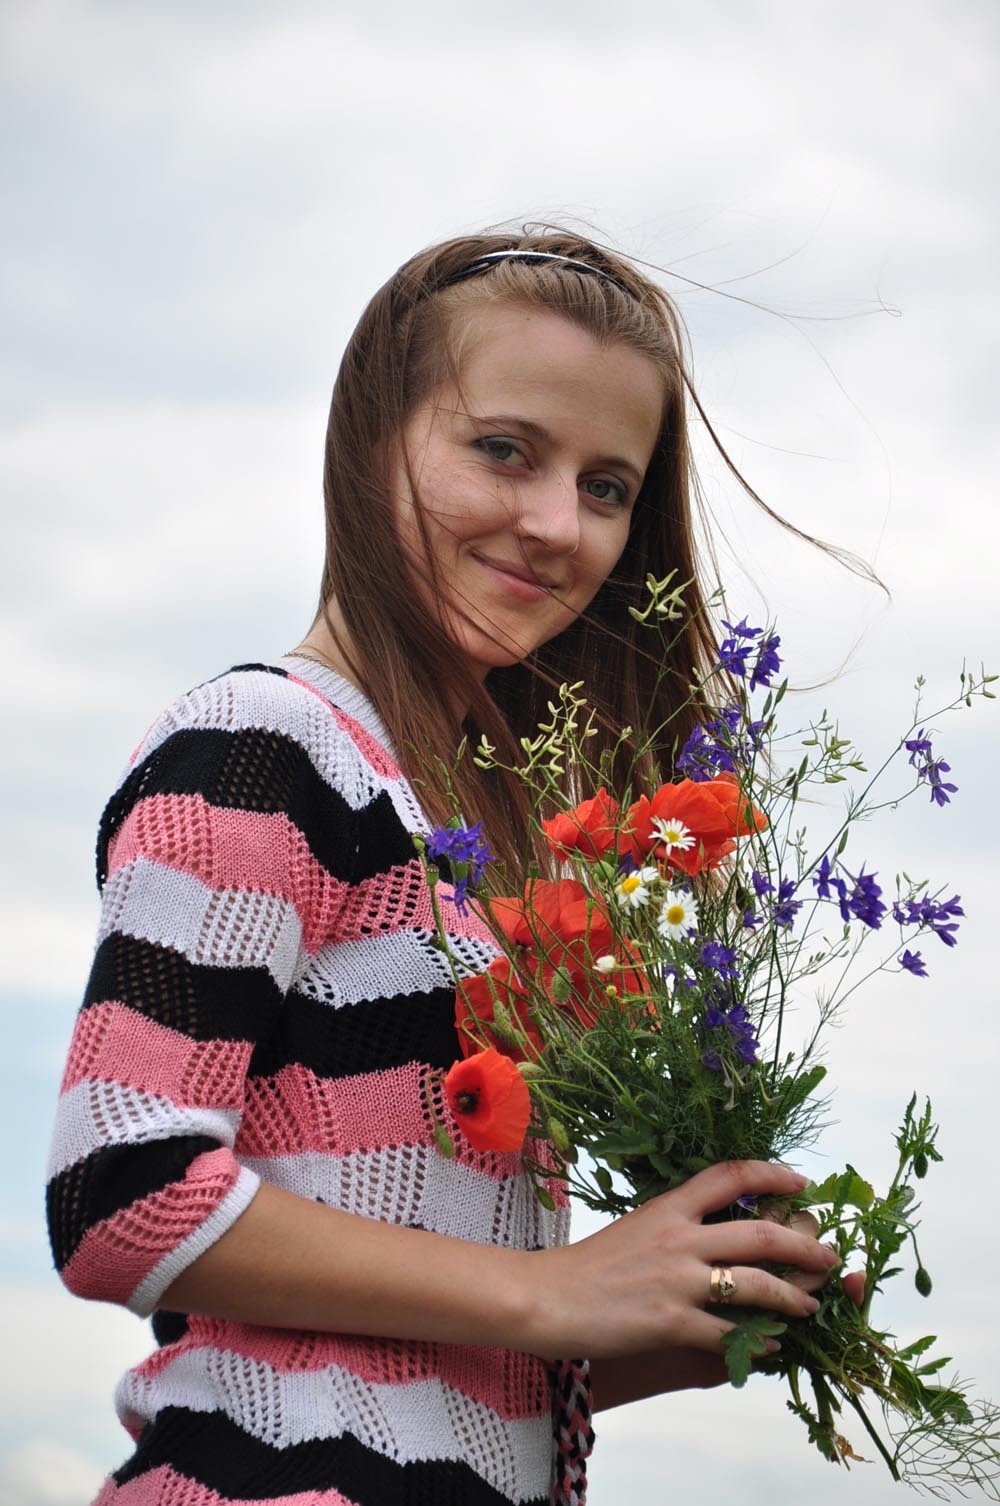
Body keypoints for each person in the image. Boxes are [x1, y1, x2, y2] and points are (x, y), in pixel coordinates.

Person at [47, 231, 857, 1506]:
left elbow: (401, 1354)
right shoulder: (263, 742)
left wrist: (661, 1319)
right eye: (504, 450)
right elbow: (121, 1196)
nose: (557, 525)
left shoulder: (457, 836)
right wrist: (555, 1290)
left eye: (606, 486)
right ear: (372, 438)